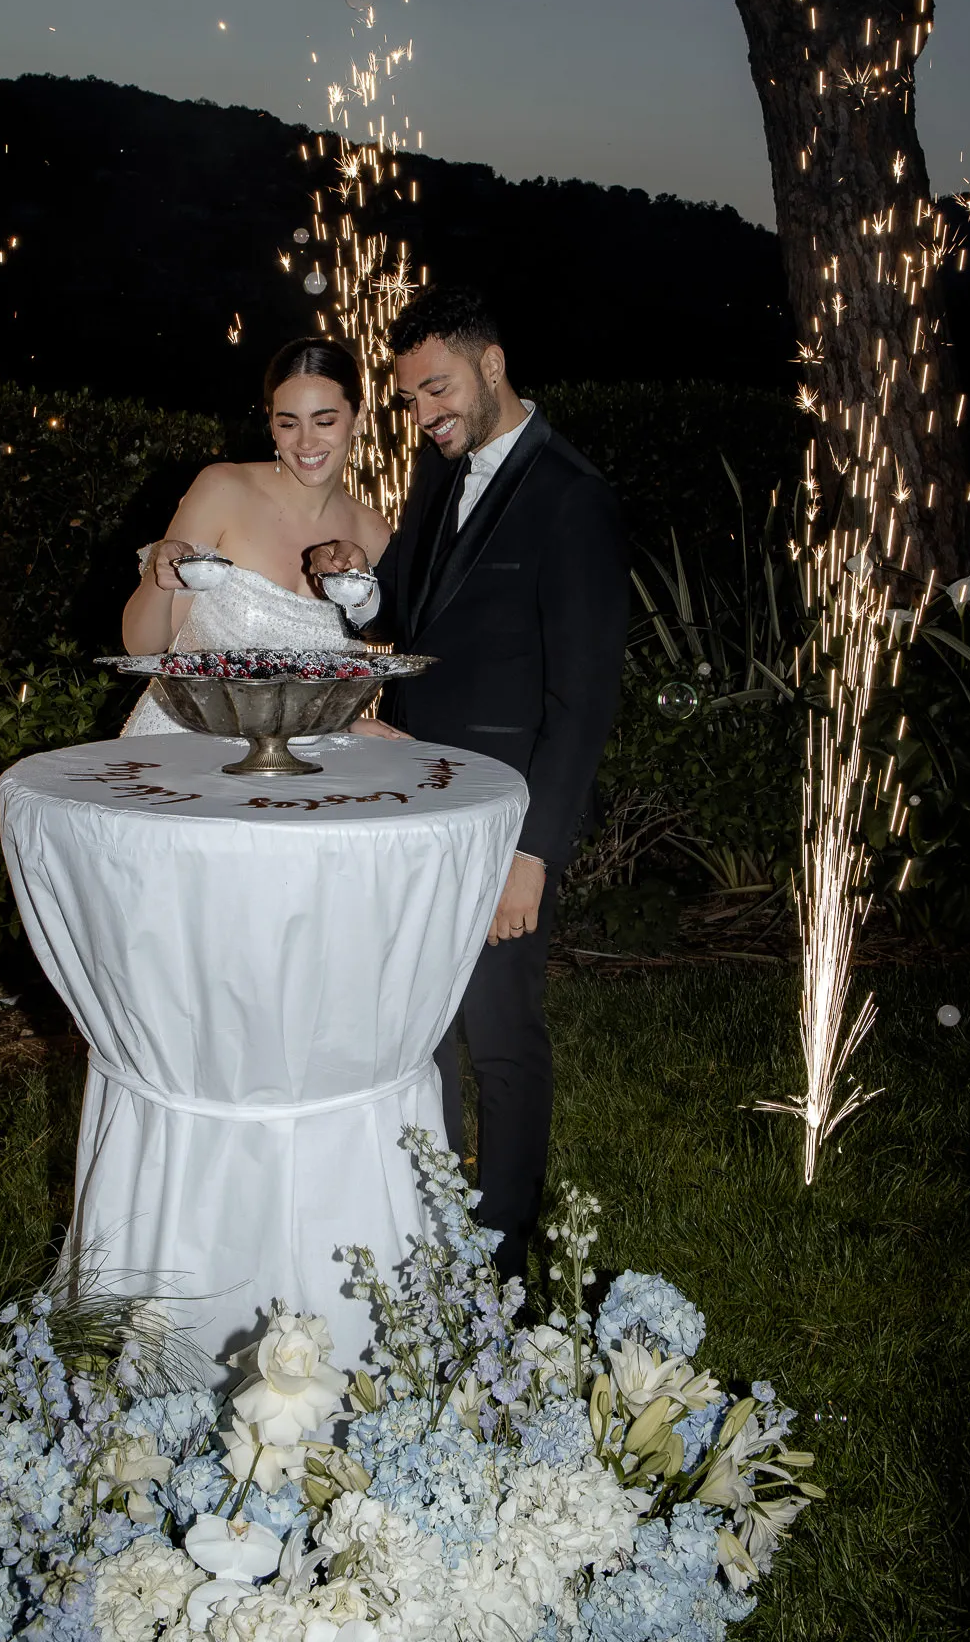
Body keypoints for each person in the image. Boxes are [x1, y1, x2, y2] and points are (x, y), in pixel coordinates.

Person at [310, 283, 629, 1280]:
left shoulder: (572, 497)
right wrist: (350, 579)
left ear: (492, 366)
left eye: (436, 391)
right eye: (410, 401)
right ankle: (437, 1223)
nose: (424, 416)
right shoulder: (441, 469)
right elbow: (404, 601)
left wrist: (533, 856)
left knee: (500, 1034)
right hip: (417, 794)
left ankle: (501, 1253)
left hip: (501, 817)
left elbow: (582, 703)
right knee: (424, 1021)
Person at [121, 336, 401, 737]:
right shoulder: (223, 489)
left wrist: (346, 725)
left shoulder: (374, 533)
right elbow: (142, 647)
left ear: (357, 419)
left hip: (293, 761)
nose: (306, 442)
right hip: (186, 744)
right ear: (271, 423)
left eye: (324, 421)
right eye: (288, 423)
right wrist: (159, 579)